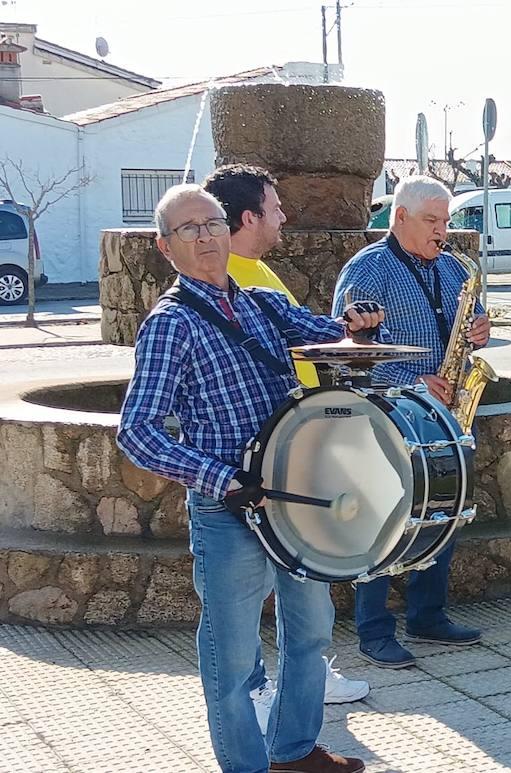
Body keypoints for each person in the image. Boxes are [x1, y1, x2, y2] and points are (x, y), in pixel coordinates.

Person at [117, 184, 382, 773]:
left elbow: (326, 332)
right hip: (229, 508)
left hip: (293, 500)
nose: (206, 236)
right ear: (166, 247)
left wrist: (357, 328)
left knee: (312, 631)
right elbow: (136, 432)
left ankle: (293, 752)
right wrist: (219, 479)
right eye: (189, 229)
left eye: (212, 224)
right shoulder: (171, 324)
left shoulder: (262, 302)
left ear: (228, 230)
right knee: (232, 658)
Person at [203, 164, 371, 727]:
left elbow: (310, 333)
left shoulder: (257, 280)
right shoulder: (232, 277)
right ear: (248, 217)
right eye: (275, 209)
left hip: (285, 458)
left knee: (300, 601)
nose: (284, 217)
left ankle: (294, 727)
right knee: (241, 615)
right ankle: (259, 709)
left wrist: (349, 331)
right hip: (251, 471)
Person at [331, 175, 491, 668]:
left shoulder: (450, 268)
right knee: (384, 516)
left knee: (445, 509)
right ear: (399, 217)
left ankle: (427, 614)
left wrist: (481, 330)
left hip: (447, 412)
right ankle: (374, 629)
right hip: (390, 412)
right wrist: (414, 379)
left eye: (445, 221)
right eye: (431, 221)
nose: (442, 231)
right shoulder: (368, 271)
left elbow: (473, 321)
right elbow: (344, 350)